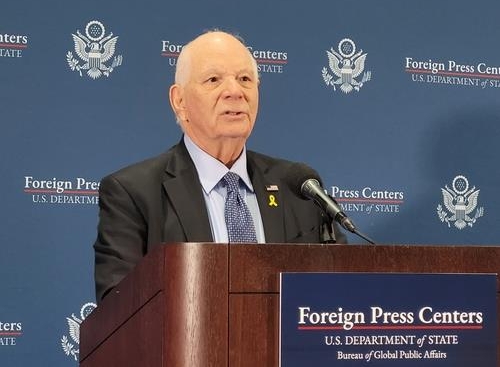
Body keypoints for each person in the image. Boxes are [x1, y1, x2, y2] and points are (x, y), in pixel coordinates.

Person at [94, 30, 346, 303]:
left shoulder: (299, 187)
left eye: (245, 79)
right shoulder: (133, 193)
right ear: (179, 101)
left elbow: (341, 293)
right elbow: (118, 314)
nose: (235, 92)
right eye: (214, 79)